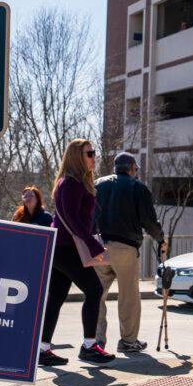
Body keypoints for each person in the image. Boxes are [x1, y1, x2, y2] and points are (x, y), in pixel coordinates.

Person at [40, 139, 114, 366]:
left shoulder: (71, 181)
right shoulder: (72, 183)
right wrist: (93, 245)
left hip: (60, 247)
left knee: (56, 297)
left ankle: (42, 349)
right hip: (66, 247)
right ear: (76, 157)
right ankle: (89, 346)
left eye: (94, 153)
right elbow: (71, 218)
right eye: (89, 153)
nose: (94, 157)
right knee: (94, 290)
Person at [93, 152, 166, 353]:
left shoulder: (98, 184)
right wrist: (160, 238)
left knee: (96, 295)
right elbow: (149, 221)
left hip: (97, 245)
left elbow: (89, 214)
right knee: (129, 297)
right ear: (132, 168)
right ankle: (128, 341)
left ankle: (96, 341)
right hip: (125, 247)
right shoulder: (137, 187)